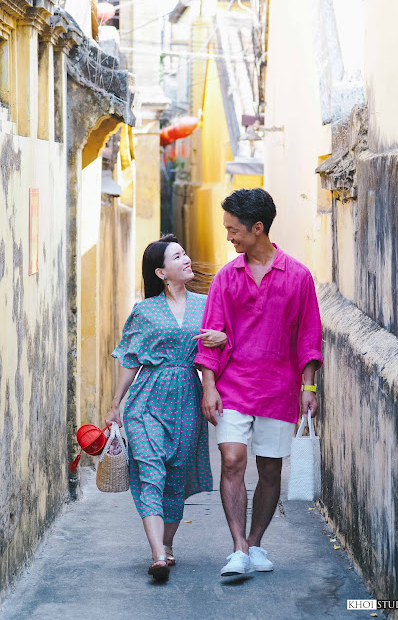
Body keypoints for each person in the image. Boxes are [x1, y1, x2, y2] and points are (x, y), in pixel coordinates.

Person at [194, 188, 323, 577]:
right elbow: (210, 333)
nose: (229, 237)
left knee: (269, 470)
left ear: (258, 228)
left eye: (234, 230)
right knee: (232, 458)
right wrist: (209, 385)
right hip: (233, 386)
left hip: (279, 389)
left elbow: (308, 335)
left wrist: (309, 386)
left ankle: (255, 544)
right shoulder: (225, 278)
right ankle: (237, 548)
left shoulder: (298, 277)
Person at [105, 234, 226, 581]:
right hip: (147, 399)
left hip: (188, 398)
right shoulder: (145, 311)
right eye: (178, 257)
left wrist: (210, 388)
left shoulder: (206, 305)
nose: (187, 259)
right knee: (151, 471)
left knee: (175, 478)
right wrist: (115, 404)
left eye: (185, 253)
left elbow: (212, 356)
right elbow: (130, 359)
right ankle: (157, 553)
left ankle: (168, 546)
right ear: (161, 272)